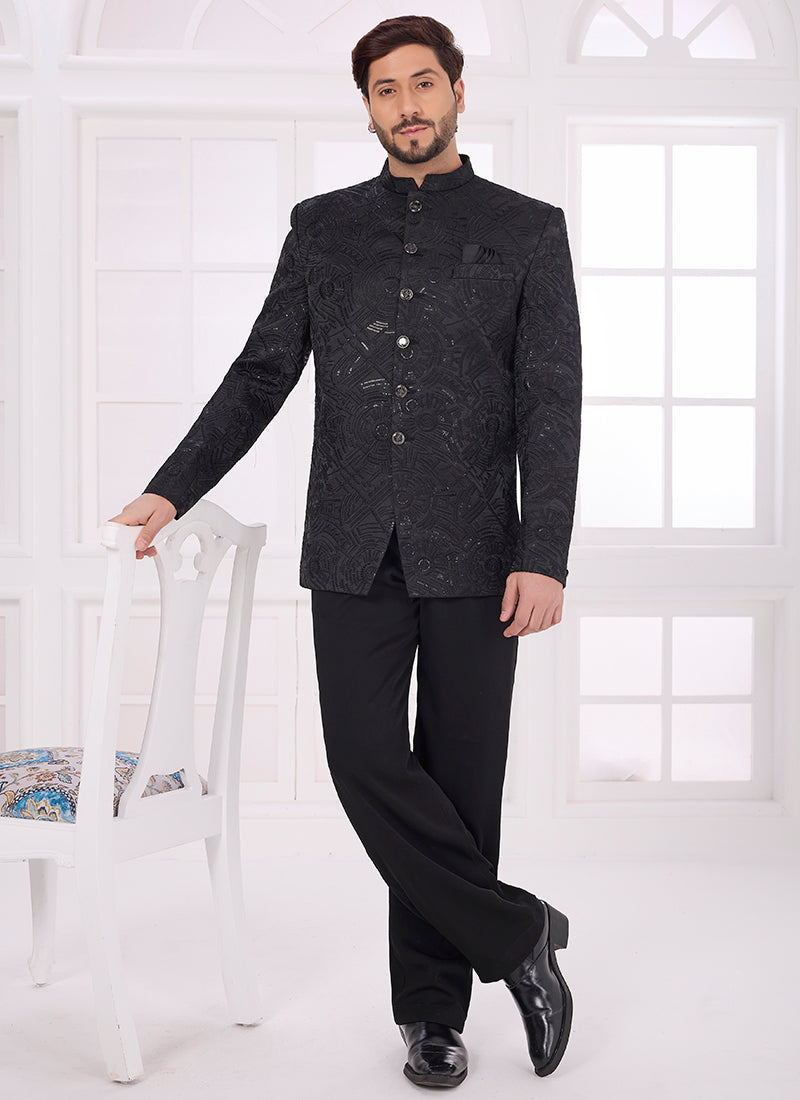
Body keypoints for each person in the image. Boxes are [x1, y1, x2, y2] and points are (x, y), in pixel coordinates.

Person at [111, 14, 582, 1089]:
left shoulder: (527, 230)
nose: (407, 105)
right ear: (366, 106)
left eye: (423, 83)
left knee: (461, 784)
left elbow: (550, 400)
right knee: (364, 759)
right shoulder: (322, 229)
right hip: (352, 543)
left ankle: (432, 1019)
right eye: (385, 90)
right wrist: (172, 486)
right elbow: (260, 373)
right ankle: (519, 936)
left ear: (457, 91)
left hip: (481, 552)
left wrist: (543, 552)